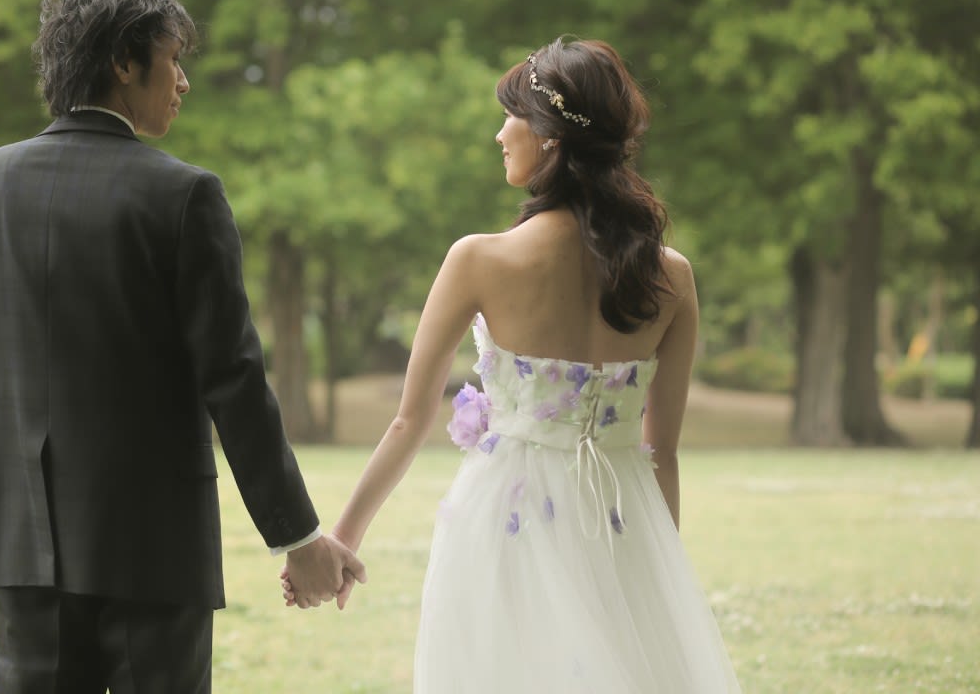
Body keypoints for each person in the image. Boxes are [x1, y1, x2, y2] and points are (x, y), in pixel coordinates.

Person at [0, 0, 364, 694]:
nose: (183, 81)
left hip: (22, 550)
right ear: (124, 62)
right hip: (156, 555)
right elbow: (234, 381)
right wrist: (297, 535)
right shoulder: (185, 195)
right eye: (173, 58)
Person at [285, 38, 741, 691]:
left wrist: (345, 537)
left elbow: (409, 421)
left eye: (512, 116)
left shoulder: (479, 259)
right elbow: (661, 451)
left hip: (506, 516)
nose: (500, 134)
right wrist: (659, 572)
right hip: (624, 517)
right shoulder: (673, 277)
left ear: (551, 136)